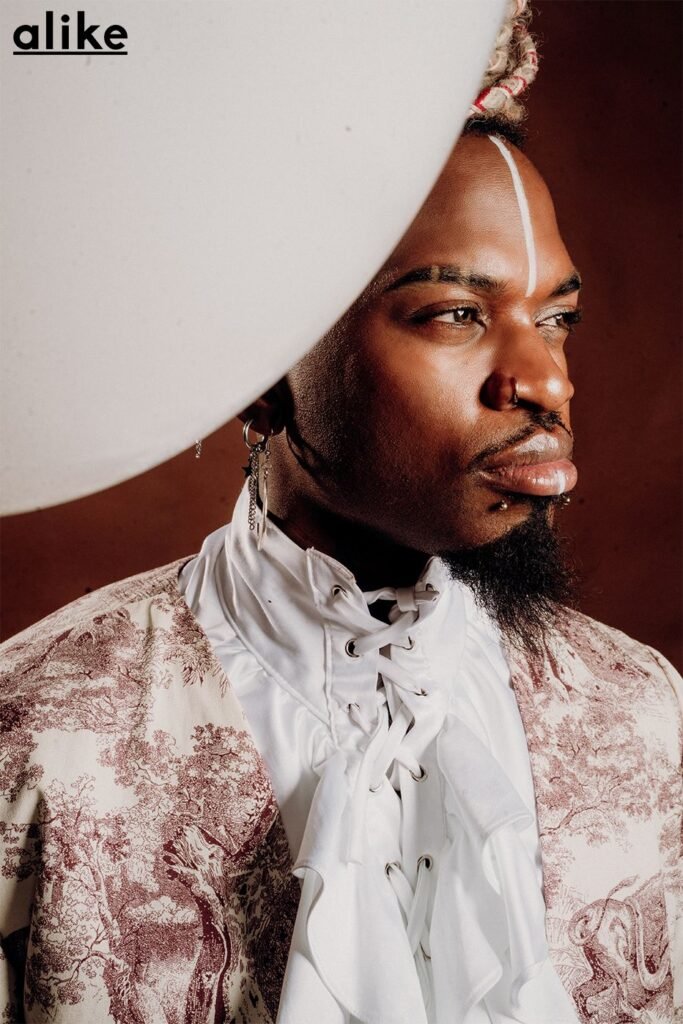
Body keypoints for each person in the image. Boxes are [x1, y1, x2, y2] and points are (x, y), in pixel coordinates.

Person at [1, 4, 680, 1022]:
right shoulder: (35, 736)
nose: (546, 382)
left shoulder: (645, 713)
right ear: (263, 369)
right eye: (454, 314)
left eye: (555, 319)